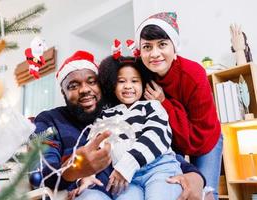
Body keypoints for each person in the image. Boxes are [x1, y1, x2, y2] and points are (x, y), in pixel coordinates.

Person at [31, 50, 206, 200]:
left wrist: (195, 176)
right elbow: (37, 172)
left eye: (91, 82)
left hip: (134, 182)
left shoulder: (118, 113)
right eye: (73, 85)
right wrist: (76, 171)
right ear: (63, 92)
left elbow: (156, 146)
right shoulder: (49, 120)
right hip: (93, 193)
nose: (84, 89)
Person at [134, 12, 222, 199]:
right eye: (147, 47)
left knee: (206, 193)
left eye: (162, 44)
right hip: (172, 140)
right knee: (177, 190)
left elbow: (197, 136)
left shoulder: (194, 74)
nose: (155, 53)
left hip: (204, 136)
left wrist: (164, 103)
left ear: (175, 48)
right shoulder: (141, 75)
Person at [77, 54, 183, 200]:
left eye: (135, 81)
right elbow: (93, 147)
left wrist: (126, 166)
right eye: (121, 81)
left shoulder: (152, 106)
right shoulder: (106, 116)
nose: (128, 86)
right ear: (112, 85)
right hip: (126, 178)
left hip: (159, 168)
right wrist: (86, 175)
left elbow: (156, 135)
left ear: (143, 83)